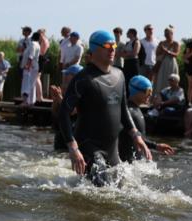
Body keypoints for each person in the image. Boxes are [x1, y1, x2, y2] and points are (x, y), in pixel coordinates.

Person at [59, 30, 151, 185]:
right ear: (94, 49)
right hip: (89, 146)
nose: (112, 49)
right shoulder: (83, 79)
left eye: (114, 45)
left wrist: (136, 135)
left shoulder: (119, 75)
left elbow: (123, 110)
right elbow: (64, 113)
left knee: (123, 190)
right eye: (108, 45)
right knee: (102, 190)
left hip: (112, 149)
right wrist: (73, 148)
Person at [120, 75, 175, 162]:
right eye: (148, 91)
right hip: (126, 164)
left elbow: (139, 137)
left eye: (151, 91)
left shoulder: (136, 110)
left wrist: (156, 146)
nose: (150, 94)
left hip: (134, 164)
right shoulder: (129, 112)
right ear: (136, 91)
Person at [151, 26, 180, 98]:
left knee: (172, 79)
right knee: (161, 80)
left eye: (168, 33)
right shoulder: (161, 43)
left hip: (171, 64)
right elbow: (157, 53)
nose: (166, 35)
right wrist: (162, 51)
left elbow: (176, 54)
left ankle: (172, 97)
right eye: (165, 34)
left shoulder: (175, 43)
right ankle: (159, 97)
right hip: (162, 64)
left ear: (172, 34)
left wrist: (167, 51)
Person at [20, 31, 41, 106]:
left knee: (26, 84)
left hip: (30, 67)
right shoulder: (37, 44)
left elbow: (31, 56)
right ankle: (31, 102)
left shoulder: (33, 44)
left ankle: (25, 102)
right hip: (34, 67)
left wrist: (27, 66)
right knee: (32, 85)